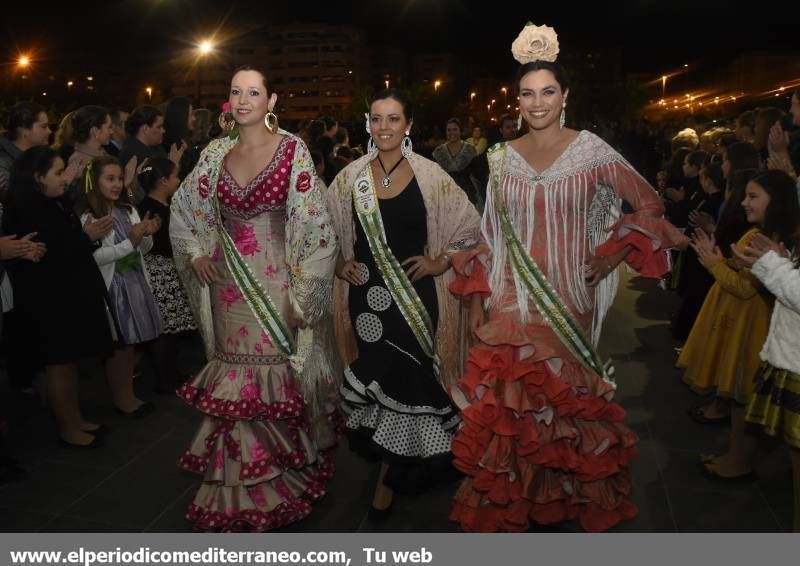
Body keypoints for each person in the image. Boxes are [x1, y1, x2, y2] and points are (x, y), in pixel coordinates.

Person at [447, 23, 687, 533]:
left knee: (562, 399)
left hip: (569, 295)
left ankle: (566, 494)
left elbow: (648, 203)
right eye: (527, 93)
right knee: (514, 403)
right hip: (512, 301)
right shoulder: (499, 157)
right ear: (517, 99)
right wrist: (472, 292)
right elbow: (491, 235)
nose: (537, 103)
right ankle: (523, 499)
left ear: (565, 96)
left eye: (548, 92)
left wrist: (612, 255)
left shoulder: (591, 150)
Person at [170, 66, 339, 532]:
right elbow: (184, 206)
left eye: (253, 92)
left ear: (271, 99)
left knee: (273, 384)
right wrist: (197, 250)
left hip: (277, 286)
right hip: (228, 288)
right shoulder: (214, 153)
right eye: (236, 92)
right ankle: (238, 486)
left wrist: (304, 294)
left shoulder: (292, 150)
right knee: (234, 386)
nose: (243, 99)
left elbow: (317, 228)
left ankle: (279, 478)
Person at [327, 89, 481, 517]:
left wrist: (440, 261)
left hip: (417, 298)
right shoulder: (349, 177)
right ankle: (389, 467)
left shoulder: (431, 175)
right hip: (368, 302)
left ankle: (388, 480)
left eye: (393, 119)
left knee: (411, 381)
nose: (384, 127)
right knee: (383, 379)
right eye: (377, 119)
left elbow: (470, 225)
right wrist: (340, 264)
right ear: (368, 123)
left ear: (408, 124)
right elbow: (323, 231)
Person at [685, 170, 799, 482]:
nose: (745, 203)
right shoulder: (763, 233)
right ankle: (735, 458)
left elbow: (746, 288)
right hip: (746, 323)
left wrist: (714, 264)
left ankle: (738, 462)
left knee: (741, 398)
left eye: (753, 196)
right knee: (739, 401)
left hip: (753, 327)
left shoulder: (767, 239)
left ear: (775, 201)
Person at [3, 146, 112, 447]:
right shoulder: (26, 208)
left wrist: (85, 236)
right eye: (58, 172)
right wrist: (86, 237)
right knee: (58, 365)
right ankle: (68, 428)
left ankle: (76, 419)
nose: (65, 178)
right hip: (48, 300)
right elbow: (47, 253)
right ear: (38, 177)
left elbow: (65, 241)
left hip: (67, 294)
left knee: (70, 362)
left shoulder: (53, 202)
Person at [79, 156, 163, 417]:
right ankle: (121, 398)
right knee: (120, 346)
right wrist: (130, 242)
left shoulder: (127, 210)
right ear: (95, 182)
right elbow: (94, 257)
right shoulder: (90, 216)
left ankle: (128, 394)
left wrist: (146, 234)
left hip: (135, 281)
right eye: (110, 179)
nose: (116, 184)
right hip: (113, 286)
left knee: (131, 345)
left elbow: (142, 250)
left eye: (119, 178)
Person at [137, 157, 197, 394]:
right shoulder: (152, 209)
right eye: (175, 176)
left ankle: (171, 372)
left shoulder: (160, 205)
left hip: (167, 270)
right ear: (163, 181)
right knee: (165, 329)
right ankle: (165, 378)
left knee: (171, 328)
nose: (178, 180)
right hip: (159, 271)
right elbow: (158, 243)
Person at [0, 102, 51, 199]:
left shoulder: (42, 156)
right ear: (24, 130)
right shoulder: (3, 163)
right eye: (44, 127)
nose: (49, 131)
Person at [432, 118, 478, 203]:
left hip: (467, 196)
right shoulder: (439, 152)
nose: (452, 133)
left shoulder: (470, 150)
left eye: (455, 129)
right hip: (445, 196)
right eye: (449, 130)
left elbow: (478, 174)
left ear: (460, 131)